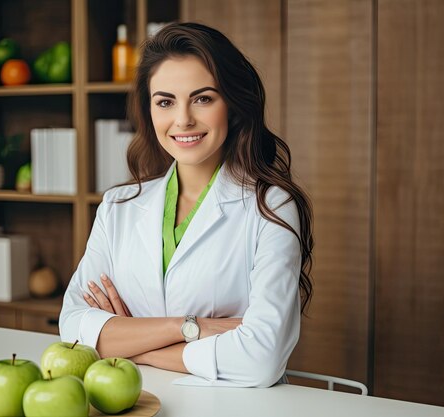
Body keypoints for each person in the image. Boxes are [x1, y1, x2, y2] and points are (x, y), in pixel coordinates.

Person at [59, 22, 313, 387]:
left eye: (203, 98)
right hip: (130, 403)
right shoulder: (119, 206)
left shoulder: (270, 206)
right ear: (149, 110)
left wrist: (128, 343)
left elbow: (262, 358)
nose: (183, 120)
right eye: (165, 101)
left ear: (234, 105)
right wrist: (190, 327)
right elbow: (72, 328)